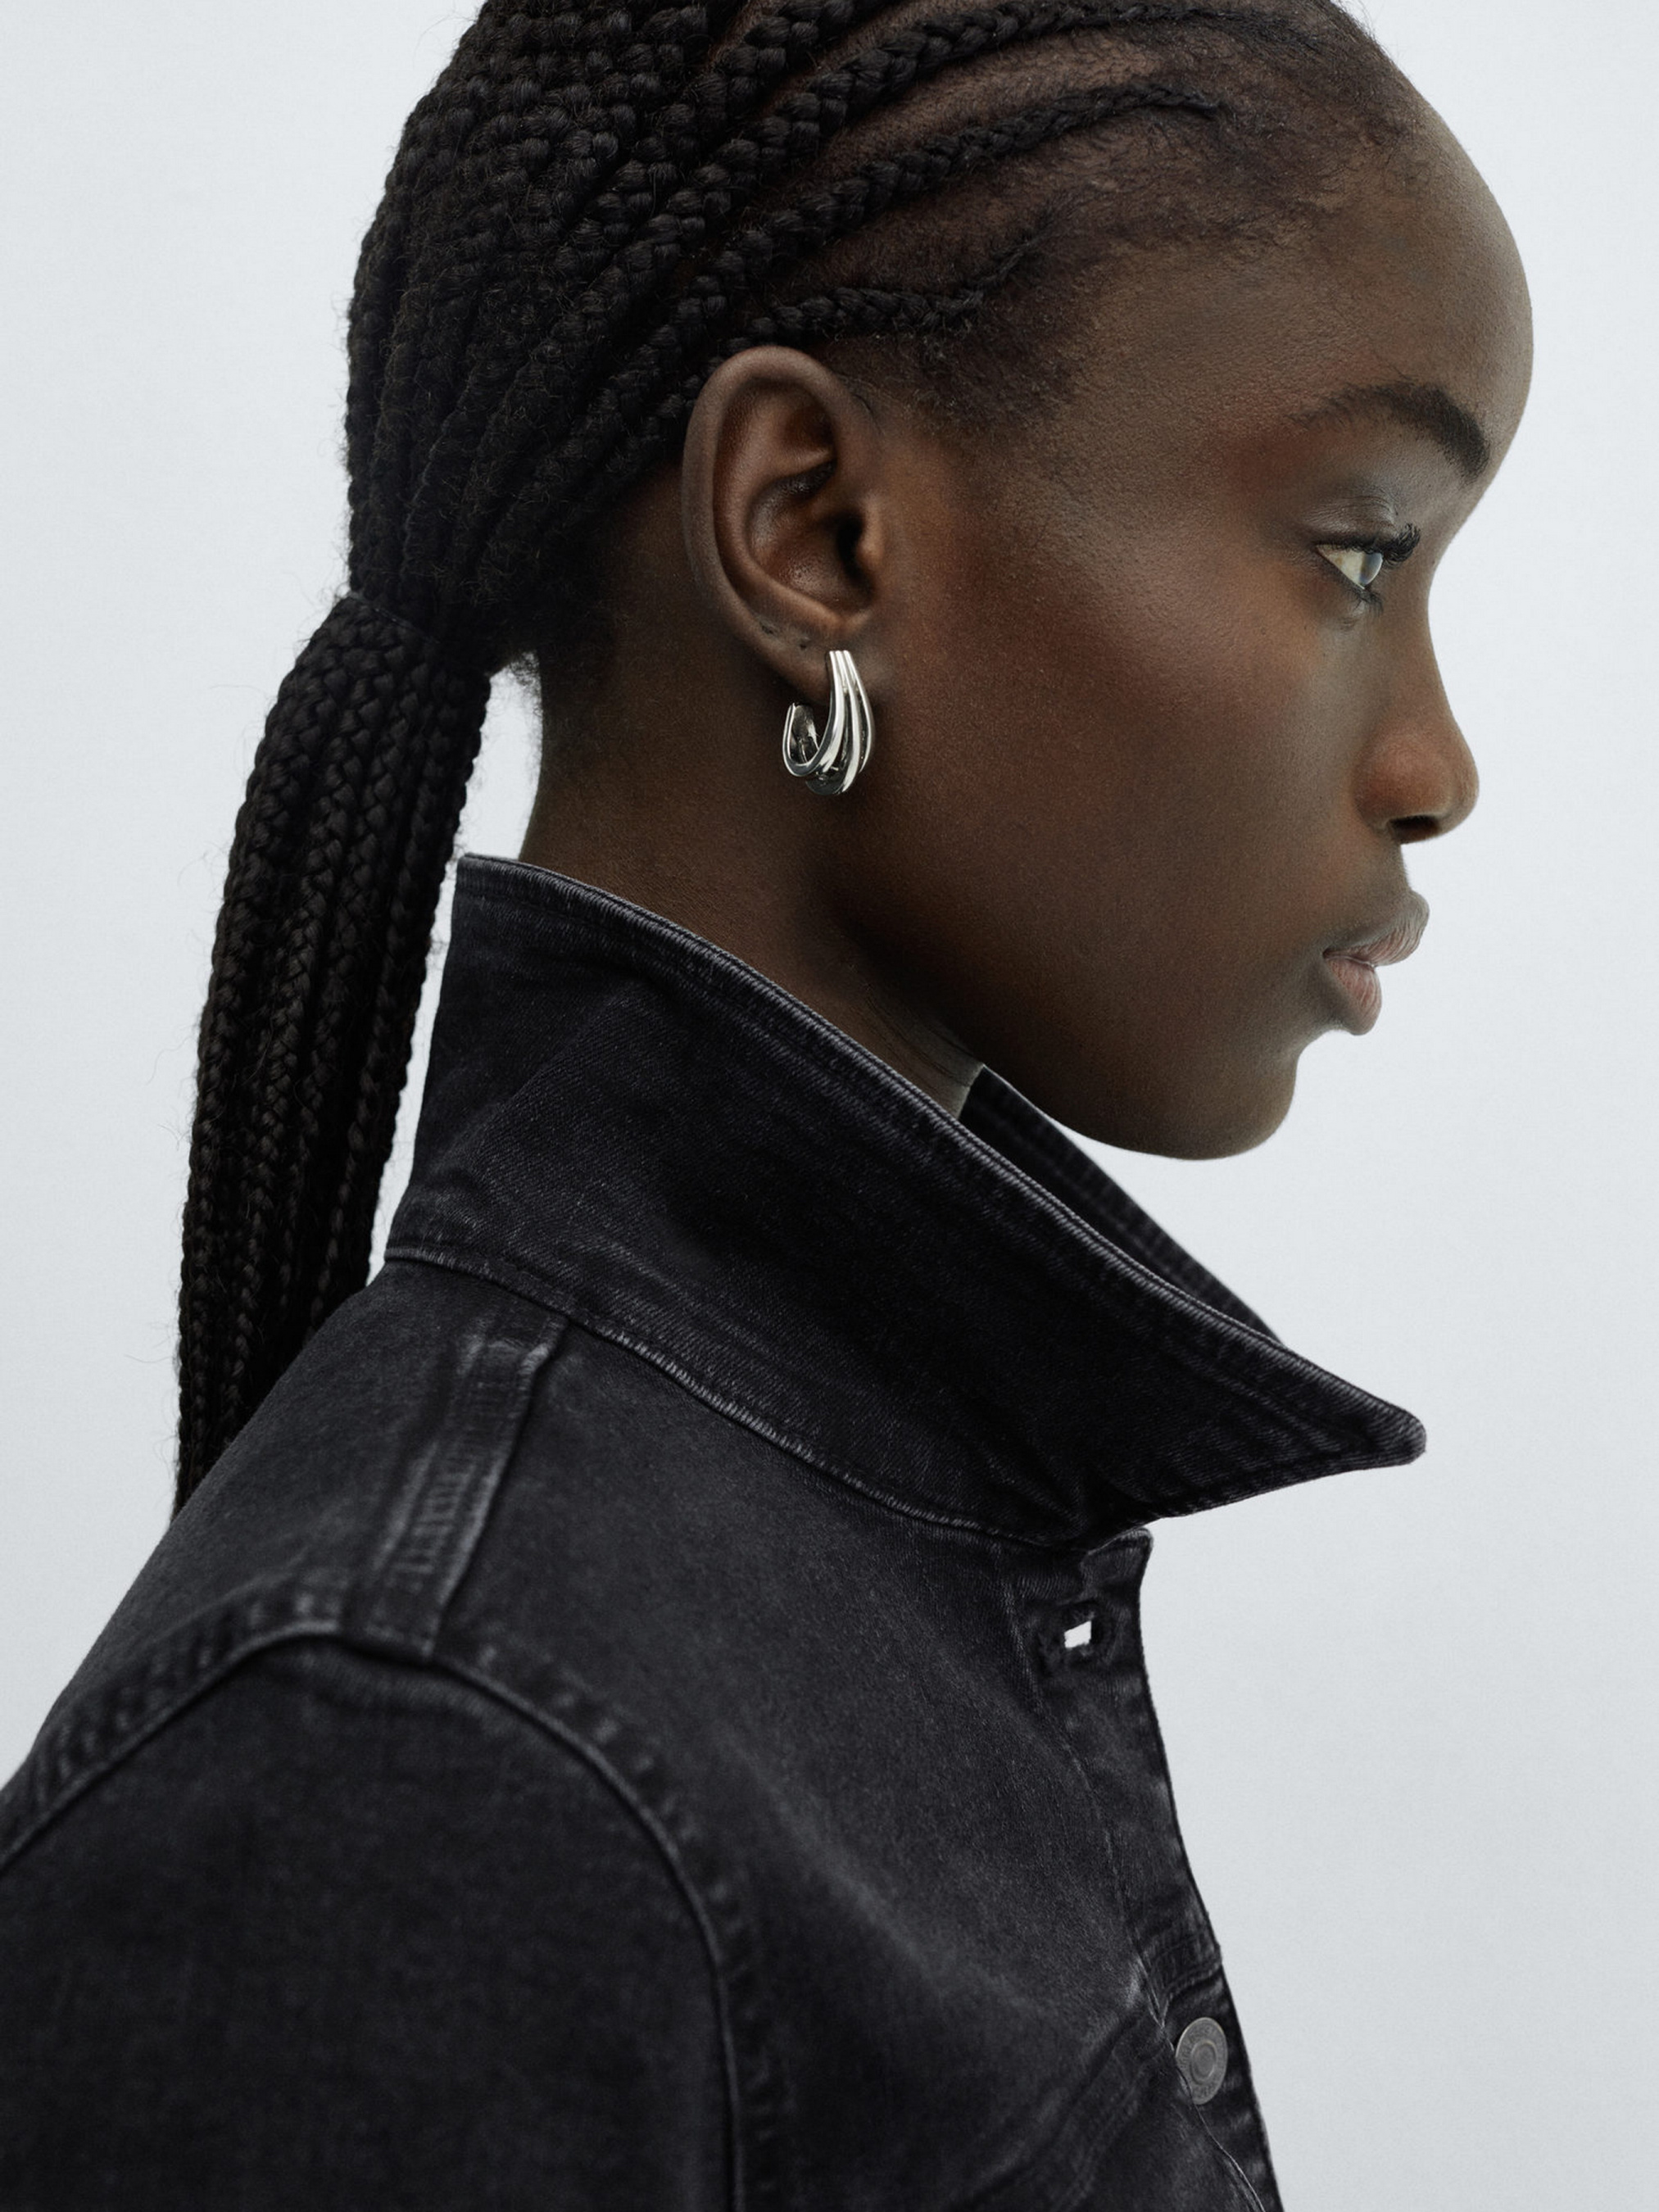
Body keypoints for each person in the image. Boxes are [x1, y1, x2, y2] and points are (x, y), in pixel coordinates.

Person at [0, 0, 1530, 2203]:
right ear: (814, 534)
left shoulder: (774, 1540)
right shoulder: (427, 1760)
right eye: (1361, 551)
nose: (1436, 764)